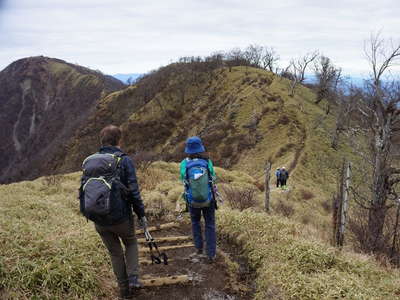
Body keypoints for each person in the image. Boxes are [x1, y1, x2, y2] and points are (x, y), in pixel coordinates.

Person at [80, 125, 147, 299]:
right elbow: (134, 191)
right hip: (121, 217)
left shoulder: (89, 161)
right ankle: (133, 279)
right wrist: (141, 214)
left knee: (115, 253)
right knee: (131, 242)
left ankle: (124, 293)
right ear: (119, 140)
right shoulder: (124, 160)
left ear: (101, 141)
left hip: (99, 219)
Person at [180, 136, 217, 263]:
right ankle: (211, 254)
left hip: (192, 200)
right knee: (210, 224)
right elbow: (213, 177)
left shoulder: (184, 163)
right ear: (201, 148)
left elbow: (183, 179)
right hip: (208, 199)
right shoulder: (207, 162)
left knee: (195, 223)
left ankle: (199, 249)